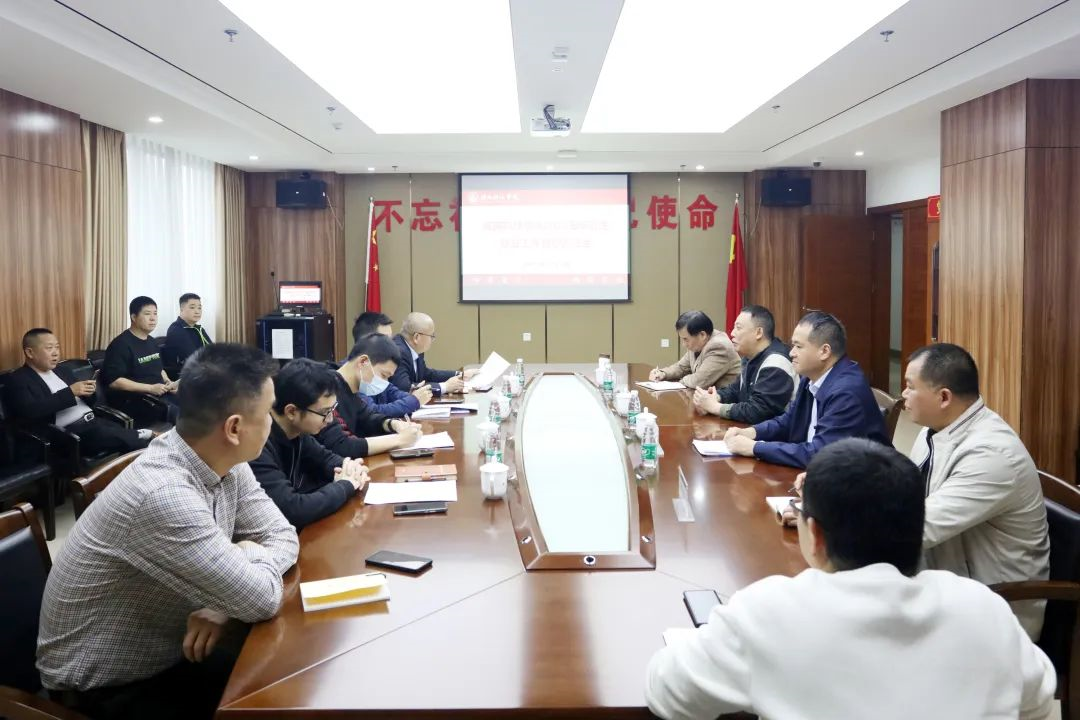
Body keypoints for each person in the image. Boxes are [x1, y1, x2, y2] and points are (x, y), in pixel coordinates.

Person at [644, 439, 1056, 720]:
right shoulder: (983, 608)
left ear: (814, 534)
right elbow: (1037, 703)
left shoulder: (769, 611)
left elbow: (668, 695)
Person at [36, 344, 300, 720]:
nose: (273, 421)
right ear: (234, 428)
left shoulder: (226, 460)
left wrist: (228, 598)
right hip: (106, 687)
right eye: (268, 413)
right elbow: (260, 598)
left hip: (173, 649)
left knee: (286, 674)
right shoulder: (163, 494)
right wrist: (243, 562)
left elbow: (284, 536)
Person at [903, 342, 1050, 639]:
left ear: (944, 397)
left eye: (910, 386)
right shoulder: (934, 429)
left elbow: (917, 528)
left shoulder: (991, 454)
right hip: (944, 578)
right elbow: (903, 491)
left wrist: (833, 522)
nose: (903, 394)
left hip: (995, 608)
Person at [724, 311, 888, 468]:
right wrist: (752, 432)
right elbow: (789, 420)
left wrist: (755, 447)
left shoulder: (846, 392)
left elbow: (822, 454)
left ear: (824, 351)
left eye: (798, 346)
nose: (791, 353)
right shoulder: (811, 377)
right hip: (820, 471)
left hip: (859, 480)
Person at [250, 358, 369, 529]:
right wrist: (346, 485)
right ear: (292, 411)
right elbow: (294, 509)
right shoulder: (257, 445)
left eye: (332, 410)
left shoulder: (298, 431)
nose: (330, 419)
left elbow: (327, 459)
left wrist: (351, 468)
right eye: (325, 412)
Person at [4, 328, 151, 459]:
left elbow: (89, 401)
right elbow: (31, 410)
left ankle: (140, 439)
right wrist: (71, 392)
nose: (55, 352)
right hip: (69, 434)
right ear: (30, 352)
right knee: (136, 443)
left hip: (94, 421)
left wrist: (88, 392)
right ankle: (142, 436)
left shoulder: (62, 371)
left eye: (57, 347)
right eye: (49, 348)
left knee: (129, 443)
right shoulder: (18, 379)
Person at [316, 333, 423, 457]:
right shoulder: (326, 390)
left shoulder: (351, 390)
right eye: (383, 375)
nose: (385, 383)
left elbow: (368, 418)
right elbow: (341, 446)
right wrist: (399, 440)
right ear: (363, 362)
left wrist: (393, 424)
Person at [692, 305, 795, 423]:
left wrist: (715, 407)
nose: (732, 333)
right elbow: (735, 390)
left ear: (758, 332)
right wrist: (715, 397)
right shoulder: (751, 357)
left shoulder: (776, 362)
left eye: (738, 328)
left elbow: (758, 411)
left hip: (778, 433)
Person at [103, 296, 179, 425]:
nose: (153, 318)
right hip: (137, 400)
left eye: (155, 313)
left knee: (195, 403)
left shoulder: (152, 342)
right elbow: (114, 381)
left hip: (159, 394)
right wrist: (150, 388)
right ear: (134, 317)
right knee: (182, 416)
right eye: (147, 314)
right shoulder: (120, 345)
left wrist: (168, 382)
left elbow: (159, 369)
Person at [350, 311, 432, 416]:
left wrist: (414, 396)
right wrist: (414, 400)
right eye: (386, 340)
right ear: (367, 340)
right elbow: (372, 412)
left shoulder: (377, 364)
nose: (392, 344)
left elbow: (392, 392)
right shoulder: (352, 374)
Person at [390, 312, 477, 397]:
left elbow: (426, 374)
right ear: (417, 337)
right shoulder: (398, 352)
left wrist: (459, 374)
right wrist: (445, 387)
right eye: (431, 336)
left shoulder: (415, 349)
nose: (432, 340)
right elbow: (405, 388)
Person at [648, 311, 739, 390]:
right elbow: (681, 367)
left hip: (725, 401)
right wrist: (663, 374)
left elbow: (700, 381)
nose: (684, 344)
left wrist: (680, 382)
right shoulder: (698, 343)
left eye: (686, 339)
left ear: (702, 335)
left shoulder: (719, 346)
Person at [163, 293, 212, 372]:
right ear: (181, 309)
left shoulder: (198, 328)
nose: (197, 311)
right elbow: (193, 358)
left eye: (199, 308)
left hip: (199, 369)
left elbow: (212, 350)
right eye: (192, 307)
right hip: (182, 373)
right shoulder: (176, 330)